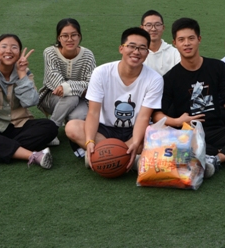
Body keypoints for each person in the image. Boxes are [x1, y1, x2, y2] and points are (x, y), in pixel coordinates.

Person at [154, 18, 225, 178]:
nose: (187, 43)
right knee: (178, 142)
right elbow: (157, 115)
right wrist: (177, 121)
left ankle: (216, 159)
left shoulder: (217, 67)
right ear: (175, 43)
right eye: (181, 40)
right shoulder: (170, 78)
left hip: (217, 130)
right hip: (189, 133)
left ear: (199, 39)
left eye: (191, 38)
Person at [65, 27, 163, 172]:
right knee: (72, 127)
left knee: (161, 133)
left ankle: (104, 156)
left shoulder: (155, 79)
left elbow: (143, 117)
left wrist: (135, 142)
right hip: (105, 129)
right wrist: (90, 140)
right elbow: (93, 112)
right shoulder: (101, 72)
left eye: (142, 48)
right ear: (121, 48)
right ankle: (125, 157)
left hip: (135, 129)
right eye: (131, 46)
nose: (136, 52)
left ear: (147, 53)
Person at [0, 34, 58, 169]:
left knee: (49, 127)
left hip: (19, 124)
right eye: (3, 47)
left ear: (19, 53)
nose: (8, 51)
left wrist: (21, 74)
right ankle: (31, 155)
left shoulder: (24, 71)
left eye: (14, 47)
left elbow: (31, 101)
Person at [38, 18, 96, 150]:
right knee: (71, 97)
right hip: (51, 97)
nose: (69, 39)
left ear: (79, 36)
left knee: (78, 116)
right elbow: (54, 81)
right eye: (65, 36)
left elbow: (91, 84)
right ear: (59, 38)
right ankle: (51, 131)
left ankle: (63, 123)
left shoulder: (88, 55)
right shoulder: (50, 52)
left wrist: (68, 87)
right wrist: (74, 88)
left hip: (80, 99)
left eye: (74, 35)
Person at [140, 10, 180, 76]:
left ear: (163, 28)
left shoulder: (175, 54)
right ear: (142, 28)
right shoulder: (137, 53)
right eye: (149, 25)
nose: (153, 29)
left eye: (157, 25)